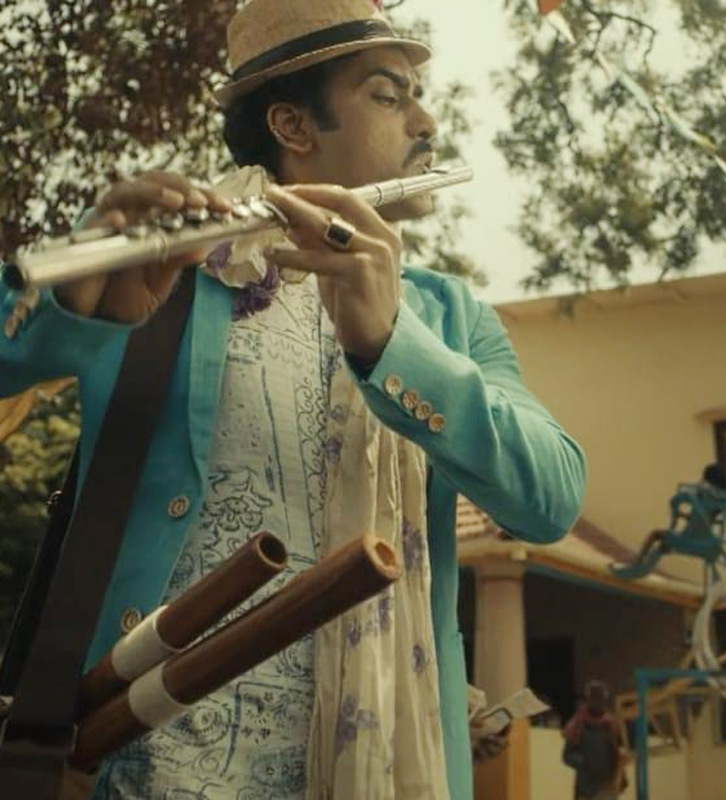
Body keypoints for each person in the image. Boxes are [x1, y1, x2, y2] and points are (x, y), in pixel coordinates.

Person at [0, 1, 586, 798]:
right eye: (389, 95)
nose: (426, 121)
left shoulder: (448, 317)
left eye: (417, 95)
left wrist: (393, 342)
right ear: (292, 125)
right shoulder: (167, 265)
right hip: (138, 769)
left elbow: (551, 498)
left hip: (380, 768)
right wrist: (71, 314)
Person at [618, 462, 726, 572]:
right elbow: (703, 520)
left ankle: (637, 562)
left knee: (655, 534)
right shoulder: (720, 500)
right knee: (663, 546)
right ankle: (642, 569)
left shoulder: (703, 493)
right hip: (710, 544)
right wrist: (687, 516)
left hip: (691, 541)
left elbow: (677, 499)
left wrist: (679, 512)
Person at [562, 681, 627, 800]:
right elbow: (567, 756)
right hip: (586, 788)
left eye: (601, 699)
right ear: (588, 700)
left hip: (607, 785)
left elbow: (620, 748)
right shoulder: (577, 725)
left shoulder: (611, 724)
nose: (598, 702)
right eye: (595, 698)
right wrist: (585, 762)